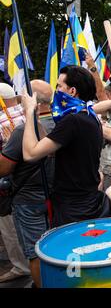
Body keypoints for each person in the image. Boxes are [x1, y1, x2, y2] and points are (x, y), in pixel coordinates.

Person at [21, 66, 106, 227]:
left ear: (72, 91)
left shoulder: (73, 120)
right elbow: (54, 148)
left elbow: (30, 154)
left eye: (59, 86)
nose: (57, 91)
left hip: (72, 207)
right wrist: (36, 119)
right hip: (87, 200)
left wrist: (29, 111)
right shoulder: (90, 116)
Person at [0, 80, 54, 287]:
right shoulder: (58, 123)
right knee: (52, 246)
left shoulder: (23, 131)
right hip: (52, 196)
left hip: (28, 201)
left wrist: (6, 148)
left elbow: (4, 168)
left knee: (35, 252)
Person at [0, 83, 30, 283]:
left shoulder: (3, 120)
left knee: (9, 225)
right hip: (32, 179)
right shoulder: (28, 112)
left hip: (9, 180)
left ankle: (21, 265)